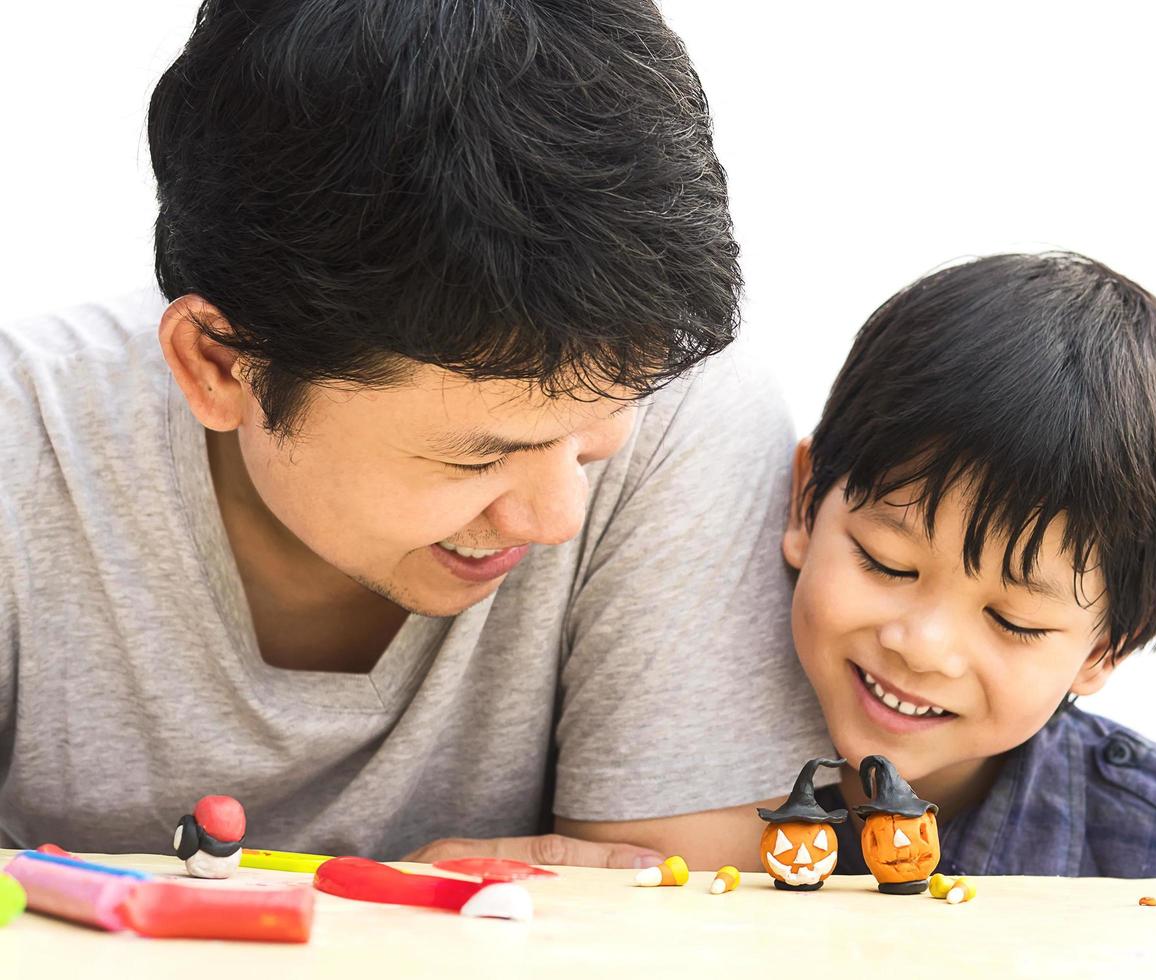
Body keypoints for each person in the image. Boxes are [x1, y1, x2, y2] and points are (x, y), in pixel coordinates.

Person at [0, 0, 829, 867]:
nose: (557, 518)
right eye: (482, 453)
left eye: (593, 426)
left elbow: (684, 918)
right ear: (218, 366)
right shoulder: (23, 446)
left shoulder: (685, 414)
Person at [780, 253, 1156, 879]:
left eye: (1013, 621)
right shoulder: (658, 750)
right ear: (805, 504)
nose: (925, 648)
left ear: (1106, 648)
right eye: (888, 564)